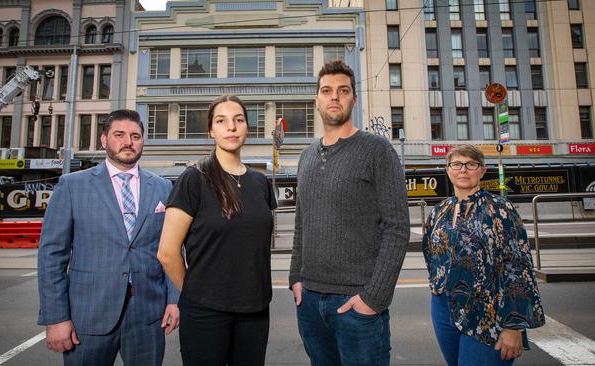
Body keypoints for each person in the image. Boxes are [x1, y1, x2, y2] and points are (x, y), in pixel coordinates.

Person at [289, 60, 410, 366]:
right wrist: (295, 277)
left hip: (358, 303)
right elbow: (301, 223)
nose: (334, 96)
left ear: (354, 99)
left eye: (343, 91)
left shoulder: (378, 150)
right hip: (311, 302)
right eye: (326, 90)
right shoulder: (305, 156)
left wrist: (374, 298)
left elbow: (396, 228)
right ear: (316, 99)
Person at [37, 109, 179, 366]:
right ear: (104, 140)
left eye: (135, 136)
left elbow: (170, 249)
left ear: (143, 141)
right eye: (119, 134)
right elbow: (51, 256)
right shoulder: (72, 186)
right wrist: (56, 318)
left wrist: (174, 300)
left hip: (147, 316)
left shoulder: (162, 186)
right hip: (89, 315)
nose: (128, 142)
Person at [157, 95, 276, 366]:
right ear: (211, 130)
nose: (231, 127)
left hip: (255, 310)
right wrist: (196, 294)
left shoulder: (260, 182)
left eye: (239, 120)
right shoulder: (194, 179)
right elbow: (166, 252)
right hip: (205, 311)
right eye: (221, 121)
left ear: (248, 127)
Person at [422, 144, 545, 366]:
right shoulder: (439, 210)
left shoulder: (500, 209)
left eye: (471, 164)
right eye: (457, 164)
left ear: (482, 170)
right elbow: (430, 254)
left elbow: (518, 267)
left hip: (489, 310)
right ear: (447, 170)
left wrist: (513, 325)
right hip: (443, 308)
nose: (463, 170)